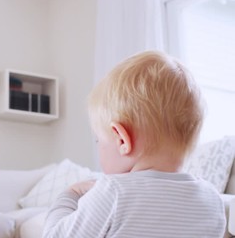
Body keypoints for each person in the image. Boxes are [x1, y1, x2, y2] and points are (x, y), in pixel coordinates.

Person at [43, 51, 226, 238]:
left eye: (98, 139)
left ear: (122, 139)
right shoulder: (212, 199)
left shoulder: (112, 192)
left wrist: (70, 194)